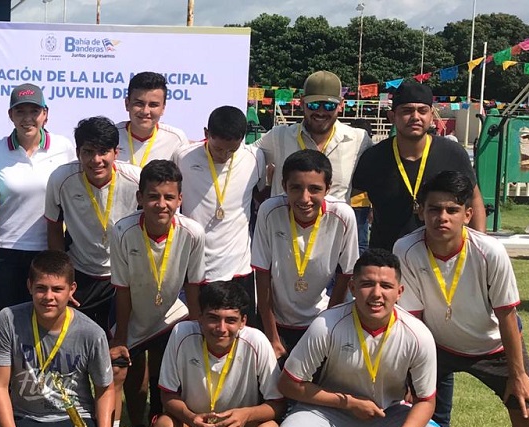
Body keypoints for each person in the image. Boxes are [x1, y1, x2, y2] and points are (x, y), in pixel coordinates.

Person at [273, 249, 467, 427]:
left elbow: (426, 401)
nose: (376, 294)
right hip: (330, 410)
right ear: (352, 287)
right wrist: (347, 402)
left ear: (399, 291)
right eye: (367, 284)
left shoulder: (418, 335)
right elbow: (289, 384)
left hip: (388, 413)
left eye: (386, 285)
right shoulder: (326, 325)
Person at [394, 171, 529, 427]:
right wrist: (411, 375)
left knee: (527, 413)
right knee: (424, 413)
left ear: (467, 213)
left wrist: (518, 375)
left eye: (451, 210)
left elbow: (507, 316)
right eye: (433, 209)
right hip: (436, 344)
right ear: (420, 211)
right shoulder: (406, 249)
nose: (441, 218)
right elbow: (414, 320)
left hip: (492, 347)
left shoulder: (489, 251)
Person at [0, 250, 115, 427]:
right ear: (29, 286)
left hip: (73, 423)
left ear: (72, 289)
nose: (49, 297)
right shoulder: (9, 320)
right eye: (41, 288)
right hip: (26, 420)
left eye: (57, 289)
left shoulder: (91, 333)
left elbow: (105, 389)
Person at [153, 281, 283, 427]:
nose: (221, 328)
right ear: (200, 317)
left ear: (243, 321)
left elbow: (278, 403)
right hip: (195, 425)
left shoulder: (257, 341)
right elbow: (168, 395)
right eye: (213, 318)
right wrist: (191, 418)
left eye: (231, 320)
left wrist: (245, 415)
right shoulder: (181, 333)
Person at [109, 160, 206, 427]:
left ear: (180, 199)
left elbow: (193, 286)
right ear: (139, 197)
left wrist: (196, 330)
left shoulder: (193, 232)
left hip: (172, 314)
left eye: (168, 197)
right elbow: (122, 289)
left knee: (167, 370)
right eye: (153, 196)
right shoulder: (122, 231)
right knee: (129, 370)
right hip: (133, 314)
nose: (161, 204)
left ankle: (160, 422)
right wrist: (121, 338)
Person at [351, 79, 485, 251]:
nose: (415, 117)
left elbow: (474, 198)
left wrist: (481, 247)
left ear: (431, 116)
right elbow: (348, 197)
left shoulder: (452, 153)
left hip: (441, 256)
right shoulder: (374, 157)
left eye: (422, 111)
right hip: (387, 257)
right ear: (392, 117)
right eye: (407, 111)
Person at [252, 149, 357, 361]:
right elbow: (262, 275)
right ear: (284, 186)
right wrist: (272, 338)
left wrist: (328, 328)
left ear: (328, 188)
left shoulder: (343, 215)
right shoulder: (269, 211)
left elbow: (345, 275)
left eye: (315, 189)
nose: (304, 198)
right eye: (296, 188)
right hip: (275, 322)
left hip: (320, 321)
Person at [0, 84, 76, 314]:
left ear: (45, 114)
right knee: (8, 319)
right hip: (4, 251)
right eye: (20, 111)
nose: (27, 119)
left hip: (48, 249)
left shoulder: (63, 147)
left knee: (46, 319)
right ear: (10, 115)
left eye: (34, 111)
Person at [45, 116, 141, 329]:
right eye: (88, 152)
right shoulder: (60, 179)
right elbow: (53, 228)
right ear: (78, 152)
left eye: (103, 152)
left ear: (116, 152)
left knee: (120, 341)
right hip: (80, 273)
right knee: (74, 338)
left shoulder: (136, 180)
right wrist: (62, 278)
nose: (96, 160)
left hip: (122, 275)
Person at [174, 106, 266, 296]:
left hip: (239, 267)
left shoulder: (255, 157)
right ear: (206, 134)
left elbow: (260, 197)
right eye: (218, 149)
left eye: (232, 150)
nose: (224, 155)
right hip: (196, 265)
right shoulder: (183, 157)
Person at [252, 71, 372, 204]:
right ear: (302, 102)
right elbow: (243, 158)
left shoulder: (358, 139)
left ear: (341, 105)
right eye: (313, 105)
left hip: (333, 218)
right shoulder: (279, 136)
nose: (320, 112)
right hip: (285, 217)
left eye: (329, 106)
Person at [116, 72, 189, 167]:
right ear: (127, 104)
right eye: (139, 104)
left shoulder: (176, 139)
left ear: (163, 108)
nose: (145, 111)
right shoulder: (112, 135)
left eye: (153, 105)